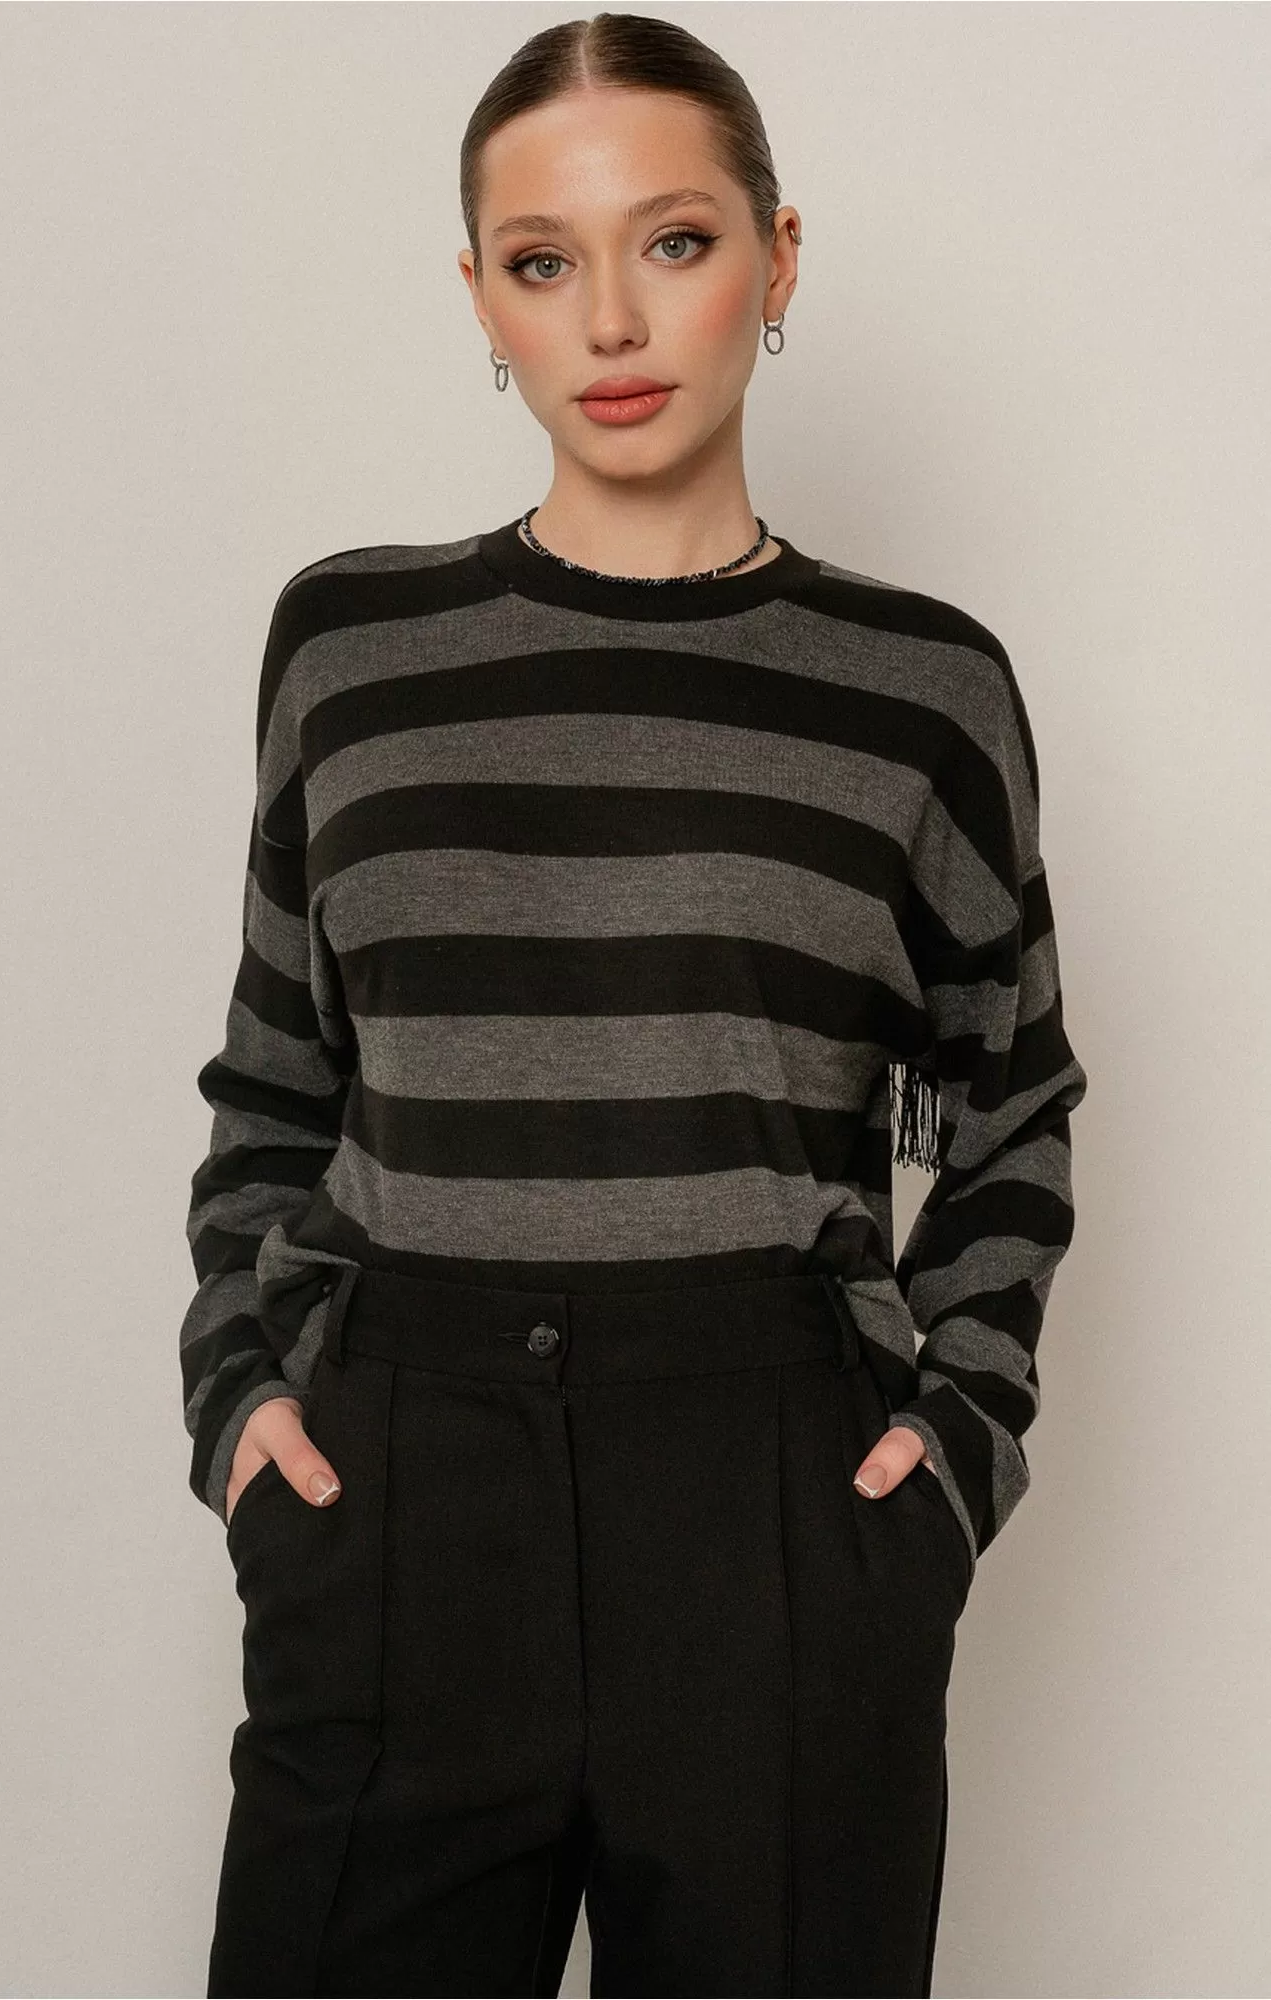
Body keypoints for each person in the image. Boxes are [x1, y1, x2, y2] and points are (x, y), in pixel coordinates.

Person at [181, 13, 1088, 1997]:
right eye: (543, 259)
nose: (610, 318)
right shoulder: (352, 652)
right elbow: (276, 1085)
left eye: (673, 241)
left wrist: (952, 1450)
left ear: (776, 255)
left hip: (774, 1508)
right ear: (480, 297)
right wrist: (246, 1401)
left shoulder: (920, 693)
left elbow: (1005, 1109)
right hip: (402, 1497)